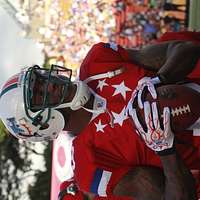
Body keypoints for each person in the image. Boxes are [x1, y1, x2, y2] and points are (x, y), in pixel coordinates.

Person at [0, 31, 200, 200]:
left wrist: (160, 80)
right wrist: (165, 149)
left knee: (171, 36)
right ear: (42, 124)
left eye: (40, 79)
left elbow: (185, 49)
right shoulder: (89, 164)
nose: (50, 83)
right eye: (40, 94)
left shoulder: (97, 61)